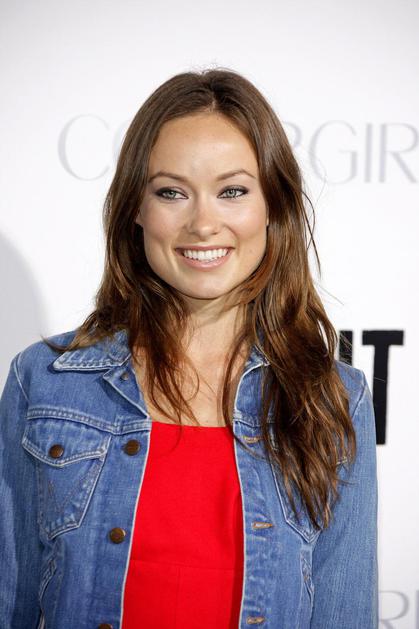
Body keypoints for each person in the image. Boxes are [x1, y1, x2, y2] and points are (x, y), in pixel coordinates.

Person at [0, 67, 378, 629]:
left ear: (272, 205)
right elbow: (10, 598)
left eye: (232, 191)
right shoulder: (45, 380)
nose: (203, 223)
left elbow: (345, 613)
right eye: (171, 192)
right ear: (136, 208)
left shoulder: (335, 397)